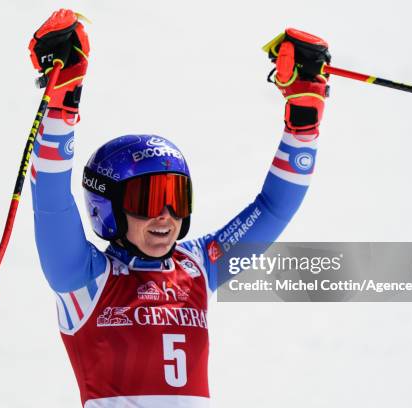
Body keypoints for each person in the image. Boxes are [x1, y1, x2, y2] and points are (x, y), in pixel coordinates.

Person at [28, 9, 330, 408]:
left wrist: (303, 123)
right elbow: (50, 199)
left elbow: (274, 208)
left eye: (176, 198)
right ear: (108, 207)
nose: (165, 216)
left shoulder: (198, 265)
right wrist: (63, 103)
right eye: (148, 200)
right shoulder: (84, 280)